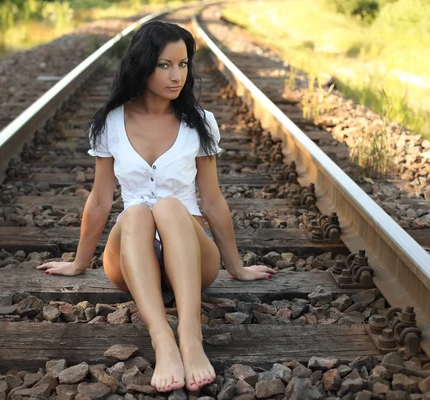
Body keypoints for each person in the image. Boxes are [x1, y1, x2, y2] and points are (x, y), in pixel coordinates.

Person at [37, 21, 277, 393]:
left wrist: (236, 267)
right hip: (131, 257)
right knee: (134, 212)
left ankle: (191, 337)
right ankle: (162, 338)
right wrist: (78, 263)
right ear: (142, 65)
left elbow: (212, 200)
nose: (176, 75)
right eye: (165, 65)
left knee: (167, 206)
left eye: (183, 64)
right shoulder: (109, 123)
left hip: (192, 253)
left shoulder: (200, 123)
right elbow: (100, 199)